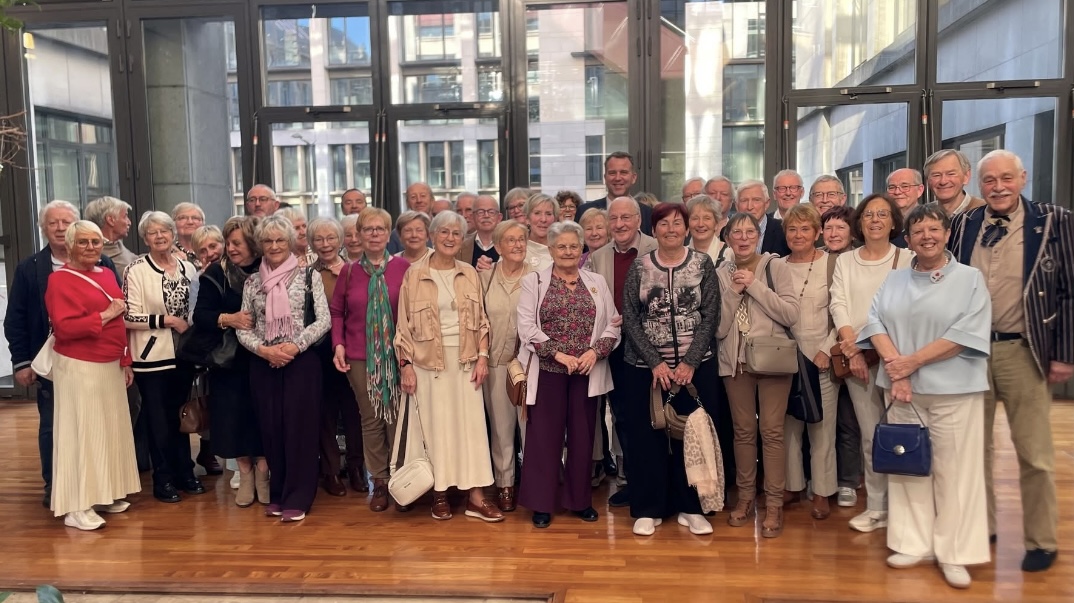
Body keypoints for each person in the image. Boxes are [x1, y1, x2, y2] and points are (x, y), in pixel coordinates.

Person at [949, 149, 1073, 573]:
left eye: (1006, 178)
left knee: (1034, 453)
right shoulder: (964, 223)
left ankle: (1041, 539)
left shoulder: (1056, 220)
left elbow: (1070, 293)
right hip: (970, 352)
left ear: (1022, 178)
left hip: (1025, 350)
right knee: (973, 448)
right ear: (979, 185)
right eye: (989, 181)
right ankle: (982, 526)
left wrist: (1066, 356)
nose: (998, 187)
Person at [860, 204, 992, 589]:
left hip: (955, 389)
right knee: (909, 467)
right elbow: (875, 322)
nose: (927, 237)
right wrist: (896, 368)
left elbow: (965, 333)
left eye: (934, 229)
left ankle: (954, 552)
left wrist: (910, 363)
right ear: (909, 238)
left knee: (956, 473)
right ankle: (912, 542)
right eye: (918, 232)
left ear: (947, 234)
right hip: (902, 390)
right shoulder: (895, 279)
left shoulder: (970, 279)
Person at [6, 200, 122, 508]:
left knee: (96, 427)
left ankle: (98, 492)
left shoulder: (105, 267)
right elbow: (15, 319)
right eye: (53, 223)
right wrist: (22, 362)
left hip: (98, 362)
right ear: (44, 228)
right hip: (57, 362)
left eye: (66, 222)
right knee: (55, 428)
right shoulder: (31, 268)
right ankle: (57, 488)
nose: (60, 228)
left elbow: (120, 311)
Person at [394, 210, 503, 522]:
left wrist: (483, 357)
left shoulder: (469, 272)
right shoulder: (414, 274)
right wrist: (406, 365)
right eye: (444, 232)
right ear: (433, 235)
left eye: (456, 233)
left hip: (467, 362)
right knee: (435, 429)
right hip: (429, 365)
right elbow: (403, 327)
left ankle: (476, 497)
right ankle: (439, 493)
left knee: (472, 431)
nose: (450, 238)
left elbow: (482, 322)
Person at [620, 203, 721, 537]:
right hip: (646, 370)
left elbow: (710, 314)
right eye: (663, 224)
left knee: (691, 437)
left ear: (687, 228)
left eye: (678, 223)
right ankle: (649, 508)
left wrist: (690, 361)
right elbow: (631, 318)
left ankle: (691, 507)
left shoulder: (702, 264)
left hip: (695, 370)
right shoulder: (639, 267)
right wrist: (656, 362)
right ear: (654, 230)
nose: (671, 229)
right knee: (646, 438)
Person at [517, 220, 620, 528]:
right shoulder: (533, 282)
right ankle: (542, 503)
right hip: (548, 370)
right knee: (543, 438)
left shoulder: (596, 281)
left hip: (586, 371)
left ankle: (579, 501)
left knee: (582, 435)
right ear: (550, 249)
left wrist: (594, 353)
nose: (567, 251)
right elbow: (526, 328)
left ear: (582, 249)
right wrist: (559, 355)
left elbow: (613, 322)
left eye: (573, 246)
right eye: (561, 246)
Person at [44, 220, 140, 530]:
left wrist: (125, 360)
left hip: (110, 365)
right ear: (70, 245)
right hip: (78, 365)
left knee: (109, 431)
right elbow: (65, 328)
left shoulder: (108, 274)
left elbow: (120, 322)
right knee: (82, 433)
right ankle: (77, 504)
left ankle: (104, 492)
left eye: (95, 242)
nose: (90, 247)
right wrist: (105, 314)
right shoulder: (59, 281)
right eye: (83, 242)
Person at [237, 215, 331, 522]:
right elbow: (243, 326)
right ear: (260, 244)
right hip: (264, 364)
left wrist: (295, 346)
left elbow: (323, 320)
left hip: (300, 363)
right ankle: (278, 493)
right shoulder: (252, 282)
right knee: (272, 430)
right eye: (268, 241)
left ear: (289, 241)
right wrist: (263, 350)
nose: (274, 246)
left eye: (280, 240)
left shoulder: (308, 277)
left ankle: (299, 496)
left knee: (299, 431)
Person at [829, 193, 913, 533]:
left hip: (898, 360)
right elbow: (839, 304)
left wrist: (885, 353)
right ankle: (877, 507)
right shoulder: (846, 262)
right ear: (859, 224)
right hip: (857, 360)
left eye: (882, 214)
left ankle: (906, 509)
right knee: (870, 436)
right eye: (868, 215)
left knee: (902, 433)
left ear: (894, 221)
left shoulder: (907, 259)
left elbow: (910, 307)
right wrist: (853, 351)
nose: (875, 220)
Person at [716, 212, 799, 538]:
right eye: (736, 232)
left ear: (759, 235)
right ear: (727, 239)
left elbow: (791, 314)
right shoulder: (721, 273)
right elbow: (720, 328)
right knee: (743, 432)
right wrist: (735, 291)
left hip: (772, 359)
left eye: (750, 231)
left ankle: (774, 504)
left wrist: (754, 286)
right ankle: (746, 497)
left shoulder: (776, 267)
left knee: (772, 432)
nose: (743, 237)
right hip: (735, 364)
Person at [331, 208, 411, 512]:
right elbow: (338, 312)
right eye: (368, 229)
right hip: (360, 356)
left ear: (388, 233)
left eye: (380, 229)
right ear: (359, 235)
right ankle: (379, 480)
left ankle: (401, 480)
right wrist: (338, 344)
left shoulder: (404, 268)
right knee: (371, 418)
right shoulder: (349, 272)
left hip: (398, 355)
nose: (374, 234)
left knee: (398, 417)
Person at [582, 196, 658, 508]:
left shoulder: (655, 248)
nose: (620, 225)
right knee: (623, 415)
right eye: (614, 219)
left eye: (626, 218)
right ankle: (632, 480)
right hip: (613, 346)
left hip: (652, 346)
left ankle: (655, 478)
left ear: (639, 220)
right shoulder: (597, 257)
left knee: (651, 414)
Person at [124, 211, 201, 503]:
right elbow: (128, 315)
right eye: (153, 232)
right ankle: (163, 479)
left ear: (172, 234)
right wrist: (166, 321)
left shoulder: (187, 268)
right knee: (158, 421)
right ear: (145, 238)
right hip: (151, 357)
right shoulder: (136, 269)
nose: (160, 236)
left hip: (183, 354)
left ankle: (186, 472)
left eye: (164, 231)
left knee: (180, 417)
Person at [192, 216, 267, 507]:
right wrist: (229, 319)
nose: (231, 248)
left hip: (263, 357)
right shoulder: (216, 272)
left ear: (252, 242)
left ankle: (264, 472)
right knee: (233, 420)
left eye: (237, 242)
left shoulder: (269, 268)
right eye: (229, 243)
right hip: (229, 362)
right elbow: (201, 316)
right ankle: (245, 473)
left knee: (262, 417)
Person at [780, 205, 838, 520]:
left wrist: (827, 350)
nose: (798, 235)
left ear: (817, 233)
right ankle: (792, 486)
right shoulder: (776, 266)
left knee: (822, 428)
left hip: (821, 358)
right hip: (786, 359)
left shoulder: (833, 264)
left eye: (805, 229)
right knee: (789, 427)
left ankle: (822, 491)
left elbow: (842, 312)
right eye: (792, 229)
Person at [309, 217, 367, 498]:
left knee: (355, 412)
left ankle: (357, 467)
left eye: (331, 238)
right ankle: (331, 471)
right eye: (319, 239)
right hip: (320, 351)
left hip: (351, 347)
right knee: (326, 413)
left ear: (341, 240)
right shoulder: (306, 273)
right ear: (311, 243)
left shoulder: (355, 270)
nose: (325, 244)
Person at [479, 220, 533, 512]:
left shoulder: (538, 277)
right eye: (510, 240)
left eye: (521, 240)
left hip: (531, 366)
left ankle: (535, 486)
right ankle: (505, 485)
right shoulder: (484, 278)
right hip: (496, 365)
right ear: (497, 246)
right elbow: (478, 321)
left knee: (531, 429)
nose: (517, 245)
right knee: (501, 429)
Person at [820, 205, 863, 509]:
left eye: (841, 228)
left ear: (852, 232)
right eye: (829, 228)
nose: (834, 234)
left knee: (850, 421)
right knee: (822, 422)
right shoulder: (817, 257)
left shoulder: (859, 259)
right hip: (818, 353)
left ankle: (848, 480)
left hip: (851, 346)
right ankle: (821, 478)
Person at [576, 152, 653, 235]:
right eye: (612, 173)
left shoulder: (648, 214)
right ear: (605, 178)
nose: (617, 178)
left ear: (633, 178)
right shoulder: (584, 211)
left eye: (623, 172)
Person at [735, 180, 791, 257]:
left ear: (767, 204)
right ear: (736, 205)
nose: (750, 207)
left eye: (756, 200)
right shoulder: (728, 232)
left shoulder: (783, 230)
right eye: (744, 200)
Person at [924, 149, 985, 217]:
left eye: (951, 174)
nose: (943, 181)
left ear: (966, 176)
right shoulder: (924, 215)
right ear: (927, 181)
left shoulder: (985, 211)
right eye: (936, 175)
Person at [85, 196, 137, 275]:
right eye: (125, 216)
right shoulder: (94, 254)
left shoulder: (116, 243)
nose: (129, 222)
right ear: (110, 220)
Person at [387, 182, 434, 254]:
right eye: (413, 197)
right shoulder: (396, 234)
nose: (419, 200)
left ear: (432, 200)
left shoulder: (443, 229)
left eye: (423, 196)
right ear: (407, 203)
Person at [456, 194, 501, 267]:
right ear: (473, 217)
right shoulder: (460, 248)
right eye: (480, 212)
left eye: (491, 212)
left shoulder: (510, 245)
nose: (486, 215)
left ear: (499, 218)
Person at [687, 194, 729, 266]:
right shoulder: (680, 256)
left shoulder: (729, 254)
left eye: (707, 218)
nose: (700, 224)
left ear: (716, 224)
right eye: (695, 218)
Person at [524, 193, 559, 271]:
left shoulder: (563, 249)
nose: (543, 219)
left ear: (555, 219)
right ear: (527, 219)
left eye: (548, 214)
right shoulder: (517, 249)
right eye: (537, 213)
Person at [886, 168, 925, 236]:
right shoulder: (882, 222)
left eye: (905, 186)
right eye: (892, 187)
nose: (897, 192)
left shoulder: (929, 220)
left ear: (919, 190)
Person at [171, 202, 206, 267]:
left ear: (203, 223)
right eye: (183, 218)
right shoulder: (168, 254)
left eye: (195, 218)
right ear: (173, 224)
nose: (190, 222)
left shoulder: (213, 250)